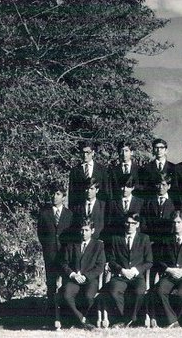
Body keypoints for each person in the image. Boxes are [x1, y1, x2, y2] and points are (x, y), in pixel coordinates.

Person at [149, 210, 182, 328]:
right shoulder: (166, 239)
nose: (176, 225)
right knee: (159, 291)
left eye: (179, 222)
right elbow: (159, 259)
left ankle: (178, 319)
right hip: (169, 275)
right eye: (174, 222)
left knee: (181, 295)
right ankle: (173, 321)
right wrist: (168, 269)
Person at [101, 213, 153, 328]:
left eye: (133, 223)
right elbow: (111, 260)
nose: (130, 226)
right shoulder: (116, 238)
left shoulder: (144, 238)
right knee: (114, 291)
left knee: (140, 291)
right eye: (128, 223)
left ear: (137, 224)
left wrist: (135, 270)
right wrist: (121, 270)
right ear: (124, 223)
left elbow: (149, 262)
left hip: (137, 276)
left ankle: (131, 319)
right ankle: (123, 319)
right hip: (120, 276)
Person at [56, 218, 106, 330]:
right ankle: (82, 319)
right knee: (67, 295)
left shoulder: (98, 245)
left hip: (90, 280)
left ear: (92, 231)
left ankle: (81, 318)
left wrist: (86, 276)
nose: (83, 233)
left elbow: (100, 266)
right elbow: (64, 263)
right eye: (82, 230)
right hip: (73, 279)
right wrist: (73, 274)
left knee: (89, 297)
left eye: (86, 230)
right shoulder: (71, 244)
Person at [37, 183, 74, 321]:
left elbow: (72, 234)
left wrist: (67, 250)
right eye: (53, 193)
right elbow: (40, 233)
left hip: (65, 254)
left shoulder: (69, 214)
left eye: (58, 194)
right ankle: (51, 312)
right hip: (50, 253)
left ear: (64, 197)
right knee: (51, 282)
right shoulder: (44, 213)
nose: (54, 196)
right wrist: (47, 247)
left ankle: (65, 312)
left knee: (66, 282)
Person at [68, 140, 107, 207]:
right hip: (80, 208)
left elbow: (105, 191)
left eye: (87, 152)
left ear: (93, 153)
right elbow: (72, 194)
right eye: (83, 152)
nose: (85, 155)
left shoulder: (102, 170)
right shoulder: (75, 171)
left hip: (98, 208)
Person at [142, 173, 177, 245]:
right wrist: (148, 238)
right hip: (151, 240)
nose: (160, 187)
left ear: (169, 186)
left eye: (163, 185)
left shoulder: (175, 202)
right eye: (158, 184)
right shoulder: (148, 201)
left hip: (169, 241)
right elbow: (144, 221)